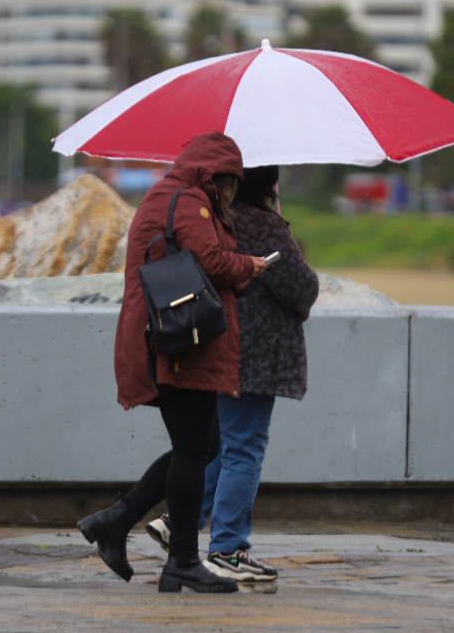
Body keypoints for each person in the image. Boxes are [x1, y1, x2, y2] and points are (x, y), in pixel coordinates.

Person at [76, 131, 269, 594]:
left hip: (169, 339)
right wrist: (249, 267)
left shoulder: (174, 194)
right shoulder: (188, 199)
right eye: (230, 183)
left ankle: (116, 522)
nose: (230, 193)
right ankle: (180, 558)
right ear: (217, 174)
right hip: (174, 344)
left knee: (201, 443)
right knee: (194, 448)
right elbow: (211, 259)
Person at [144, 165, 319, 583]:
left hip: (220, 347)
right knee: (245, 448)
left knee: (222, 445)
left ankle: (179, 520)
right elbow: (300, 287)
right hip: (258, 357)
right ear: (267, 185)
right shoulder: (263, 224)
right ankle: (228, 549)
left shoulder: (217, 218)